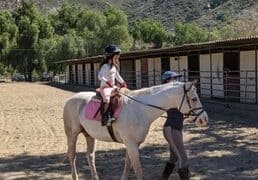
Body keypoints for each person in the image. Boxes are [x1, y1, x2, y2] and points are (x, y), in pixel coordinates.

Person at [161, 71, 190, 180]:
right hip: (172, 128)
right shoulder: (169, 94)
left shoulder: (175, 94)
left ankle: (164, 178)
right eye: (175, 78)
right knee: (183, 158)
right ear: (167, 81)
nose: (177, 81)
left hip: (176, 127)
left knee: (173, 157)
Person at [98, 45, 127, 126]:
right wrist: (107, 82)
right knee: (107, 99)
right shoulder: (105, 66)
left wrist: (123, 82)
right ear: (110, 56)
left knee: (122, 95)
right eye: (116, 57)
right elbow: (100, 76)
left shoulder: (114, 67)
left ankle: (115, 114)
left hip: (112, 87)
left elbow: (117, 76)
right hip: (105, 87)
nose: (117, 59)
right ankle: (104, 118)